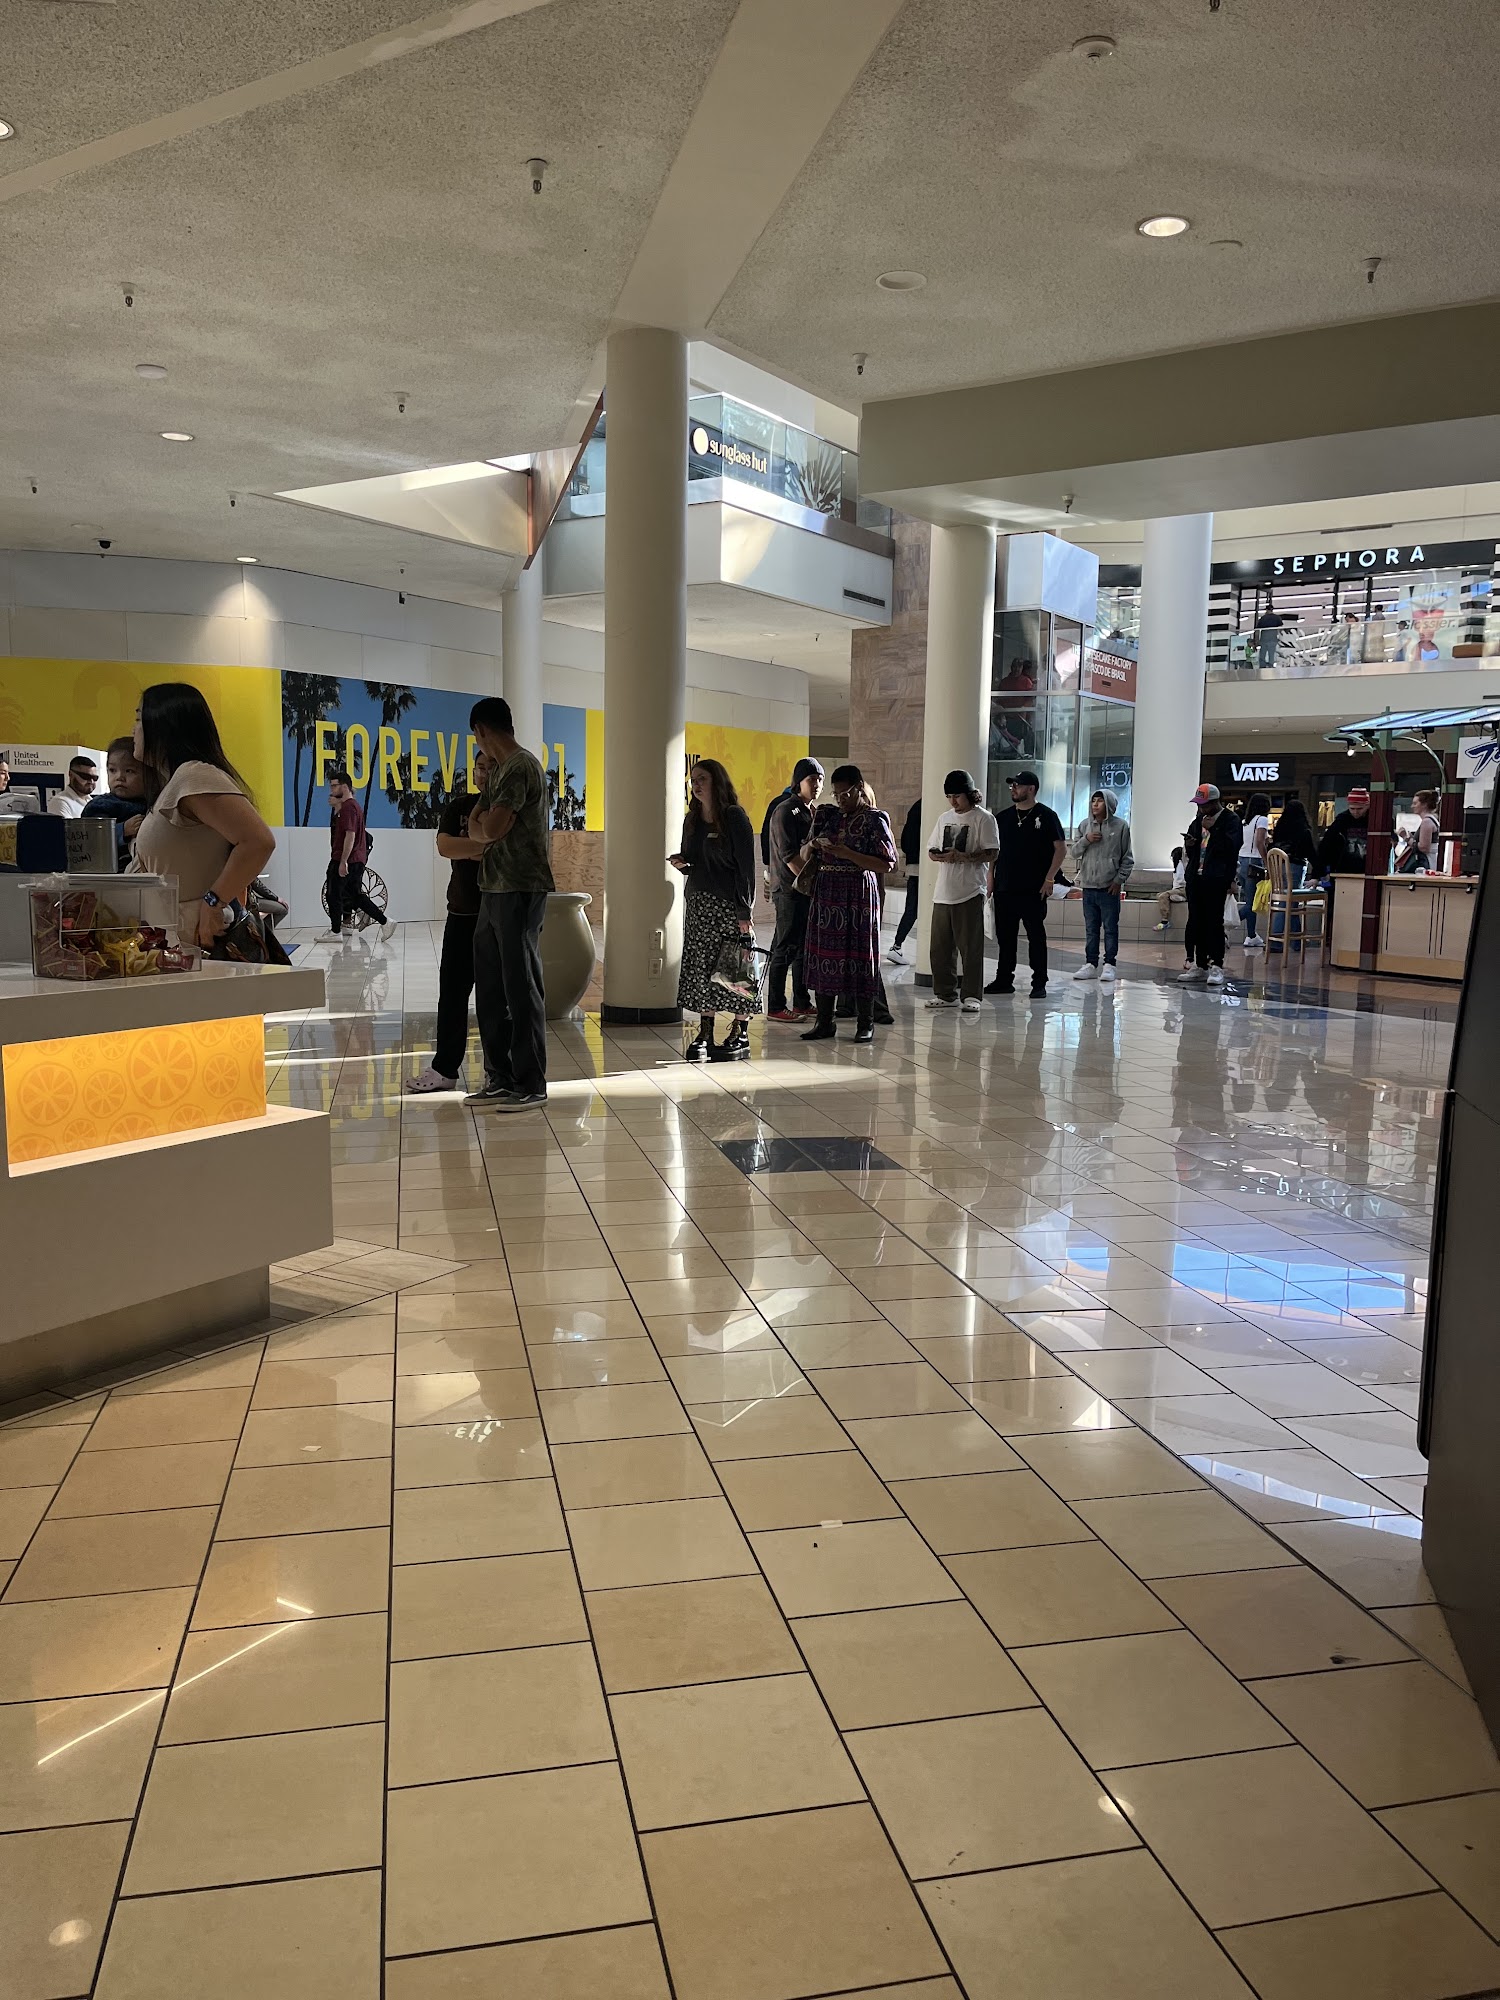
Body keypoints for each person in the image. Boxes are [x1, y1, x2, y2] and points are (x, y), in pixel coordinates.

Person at [130, 682, 276, 950]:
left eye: (139, 719)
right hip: (177, 938)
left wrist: (214, 902)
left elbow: (259, 841)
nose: (133, 729)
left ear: (163, 725)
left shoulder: (194, 776)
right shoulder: (175, 783)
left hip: (200, 940)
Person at [465, 696, 554, 1113]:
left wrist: (484, 828)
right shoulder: (500, 770)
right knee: (490, 988)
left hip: (519, 886)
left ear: (481, 730)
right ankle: (499, 1078)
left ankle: (530, 1082)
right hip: (493, 886)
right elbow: (478, 825)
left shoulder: (519, 767)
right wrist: (483, 827)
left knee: (521, 986)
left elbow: (492, 827)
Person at [407, 753, 492, 1092]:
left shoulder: (507, 810)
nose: (484, 774)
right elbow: (445, 846)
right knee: (452, 995)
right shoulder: (459, 806)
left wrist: (467, 848)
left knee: (494, 998)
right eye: (480, 768)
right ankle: (445, 1069)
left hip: (495, 915)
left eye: (491, 768)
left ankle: (497, 1070)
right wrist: (482, 846)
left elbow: (502, 849)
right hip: (460, 913)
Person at [794, 763, 896, 1043]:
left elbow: (887, 864)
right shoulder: (826, 815)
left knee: (861, 956)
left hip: (858, 893)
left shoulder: (875, 819)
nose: (840, 799)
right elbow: (803, 854)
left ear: (859, 788)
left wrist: (847, 853)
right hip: (826, 893)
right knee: (824, 955)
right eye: (836, 794)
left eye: (846, 794)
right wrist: (814, 845)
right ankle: (825, 1022)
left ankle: (866, 1022)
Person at [671, 758, 759, 1062]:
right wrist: (683, 865)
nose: (696, 785)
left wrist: (744, 911)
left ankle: (740, 1032)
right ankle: (705, 1031)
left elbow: (746, 868)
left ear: (716, 782)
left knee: (737, 968)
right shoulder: (692, 820)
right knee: (702, 968)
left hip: (728, 905)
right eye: (693, 780)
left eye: (702, 779)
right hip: (699, 905)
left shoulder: (734, 817)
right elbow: (693, 862)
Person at [985, 770, 1066, 998]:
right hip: (1005, 887)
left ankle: (1039, 981)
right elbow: (994, 852)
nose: (1013, 789)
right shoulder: (1002, 818)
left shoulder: (1046, 815)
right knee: (1005, 937)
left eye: (1018, 785)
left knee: (1035, 936)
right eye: (1012, 785)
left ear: (1031, 789)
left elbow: (1060, 849)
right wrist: (990, 877)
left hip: (1033, 889)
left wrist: (1050, 878)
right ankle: (1004, 979)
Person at [924, 771, 998, 1013]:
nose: (953, 801)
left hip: (970, 891)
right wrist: (937, 855)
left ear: (969, 794)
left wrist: (964, 857)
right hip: (943, 891)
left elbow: (992, 852)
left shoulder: (984, 819)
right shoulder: (944, 818)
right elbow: (931, 848)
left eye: (957, 795)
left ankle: (972, 995)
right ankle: (946, 993)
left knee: (970, 948)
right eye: (949, 796)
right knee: (940, 949)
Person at [765, 756, 824, 1022]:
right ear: (798, 781)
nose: (817, 784)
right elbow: (789, 855)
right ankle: (776, 1006)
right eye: (812, 779)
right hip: (790, 890)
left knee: (802, 949)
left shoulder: (811, 811)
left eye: (820, 780)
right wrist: (813, 884)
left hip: (805, 890)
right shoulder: (785, 810)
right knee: (785, 947)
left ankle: (801, 1002)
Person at [318, 770, 395, 942]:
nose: (331, 790)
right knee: (353, 895)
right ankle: (385, 922)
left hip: (347, 859)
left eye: (334, 786)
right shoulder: (351, 807)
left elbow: (350, 835)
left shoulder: (349, 807)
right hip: (353, 859)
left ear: (344, 786)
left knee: (334, 894)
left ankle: (336, 931)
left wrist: (343, 861)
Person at [1178, 783, 1241, 988]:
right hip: (1196, 877)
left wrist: (1214, 830)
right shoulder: (1198, 821)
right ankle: (1200, 964)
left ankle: (1217, 965)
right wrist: (1190, 844)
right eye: (1199, 805)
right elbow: (1193, 849)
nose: (1201, 808)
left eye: (1205, 804)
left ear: (1215, 802)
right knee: (1196, 921)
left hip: (1216, 878)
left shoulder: (1231, 820)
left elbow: (1231, 848)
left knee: (1214, 922)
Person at [1069, 788, 1134, 984]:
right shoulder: (1084, 825)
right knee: (1091, 928)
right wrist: (1086, 840)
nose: (1095, 804)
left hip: (1109, 887)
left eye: (1100, 800)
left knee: (1110, 928)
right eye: (1093, 801)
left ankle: (1109, 964)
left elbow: (1127, 858)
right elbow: (1074, 852)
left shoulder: (1121, 826)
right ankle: (1090, 964)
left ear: (1109, 804)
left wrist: (1118, 880)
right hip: (1089, 886)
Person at [83, 736, 147, 869]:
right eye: (113, 770)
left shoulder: (152, 803)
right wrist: (122, 830)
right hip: (111, 873)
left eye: (129, 771)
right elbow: (90, 841)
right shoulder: (101, 805)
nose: (119, 777)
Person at [887, 797, 923, 965]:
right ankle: (897, 946)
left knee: (911, 909)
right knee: (915, 909)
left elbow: (907, 839)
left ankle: (897, 945)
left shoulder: (916, 806)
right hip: (925, 867)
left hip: (914, 866)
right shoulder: (929, 805)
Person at [1236, 790, 1271, 954]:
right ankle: (1222, 925)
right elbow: (1259, 842)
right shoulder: (1262, 820)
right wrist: (1267, 862)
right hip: (1254, 862)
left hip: (1241, 861)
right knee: (1252, 904)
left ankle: (1251, 935)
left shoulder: (1245, 822)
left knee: (1250, 900)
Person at [1317, 786, 1371, 877]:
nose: (1355, 812)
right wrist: (1318, 873)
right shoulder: (1342, 819)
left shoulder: (1373, 820)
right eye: (1352, 808)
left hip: (1366, 868)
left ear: (1367, 806)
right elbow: (1326, 844)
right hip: (1342, 868)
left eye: (1359, 809)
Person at [1395, 789, 1441, 874]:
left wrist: (1406, 838)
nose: (1412, 806)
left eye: (1415, 803)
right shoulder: (1432, 820)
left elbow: (1424, 847)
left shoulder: (1426, 822)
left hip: (1426, 863)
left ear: (1424, 805)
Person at [1155, 846, 1187, 931]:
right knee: (1159, 895)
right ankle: (1180, 898)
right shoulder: (1179, 866)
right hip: (1179, 889)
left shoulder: (1181, 865)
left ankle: (1164, 921)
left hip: (1183, 889)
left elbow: (1181, 881)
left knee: (1163, 896)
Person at [1253, 605, 1286, 670]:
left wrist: (1256, 640)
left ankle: (1262, 666)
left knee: (1262, 653)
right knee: (1271, 653)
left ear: (1267, 610)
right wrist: (1280, 638)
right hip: (1273, 637)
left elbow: (1257, 629)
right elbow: (1281, 628)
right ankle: (1271, 666)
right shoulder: (1277, 618)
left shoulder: (1263, 618)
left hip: (1264, 638)